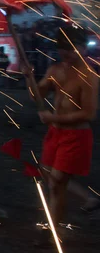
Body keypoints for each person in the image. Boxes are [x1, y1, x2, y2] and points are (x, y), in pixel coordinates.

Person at [25, 26, 99, 238]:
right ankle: (78, 206)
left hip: (76, 136)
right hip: (55, 134)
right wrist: (28, 77)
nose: (65, 52)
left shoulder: (89, 76)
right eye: (61, 48)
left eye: (70, 47)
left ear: (83, 48)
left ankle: (53, 231)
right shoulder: (55, 70)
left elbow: (89, 113)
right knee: (51, 178)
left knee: (56, 183)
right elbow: (35, 96)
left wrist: (53, 118)